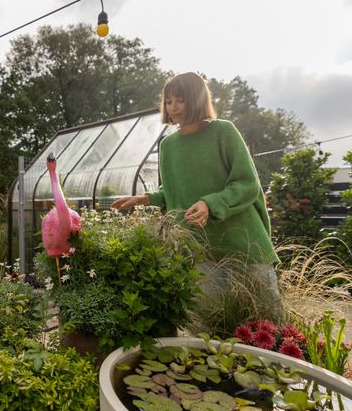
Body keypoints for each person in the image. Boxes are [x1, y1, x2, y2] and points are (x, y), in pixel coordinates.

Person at [111, 72, 279, 297]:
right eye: (168, 101)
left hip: (242, 242)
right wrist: (147, 199)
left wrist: (209, 204)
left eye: (180, 100)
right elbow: (174, 189)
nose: (173, 107)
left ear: (197, 100)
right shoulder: (168, 146)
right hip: (199, 251)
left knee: (265, 325)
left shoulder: (223, 131)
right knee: (206, 327)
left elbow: (247, 183)